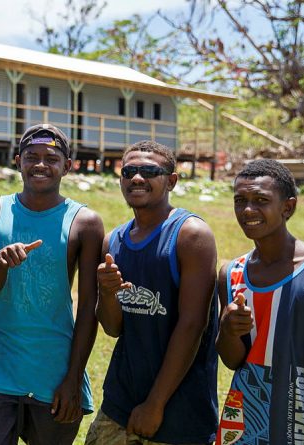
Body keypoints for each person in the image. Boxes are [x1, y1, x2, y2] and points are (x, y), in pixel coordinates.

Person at [0, 123, 104, 445]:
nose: (40, 164)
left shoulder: (84, 222)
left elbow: (89, 307)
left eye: (51, 158)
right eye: (32, 156)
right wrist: (1, 264)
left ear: (68, 166)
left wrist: (74, 378)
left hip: (54, 373)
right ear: (18, 160)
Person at [87, 140, 219, 445]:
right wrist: (107, 292)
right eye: (129, 171)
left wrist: (155, 403)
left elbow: (192, 325)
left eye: (149, 171)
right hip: (120, 403)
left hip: (180, 411)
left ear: (171, 180)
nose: (137, 177)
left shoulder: (190, 235)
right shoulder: (113, 242)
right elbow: (112, 327)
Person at [215, 159, 304, 445]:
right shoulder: (232, 274)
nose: (248, 210)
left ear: (287, 207)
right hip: (243, 425)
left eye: (261, 200)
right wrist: (228, 330)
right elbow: (233, 361)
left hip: (302, 423)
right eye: (240, 200)